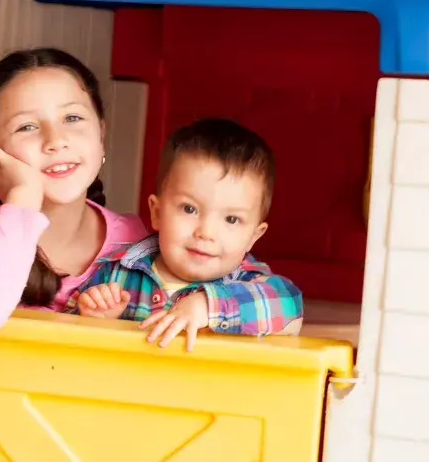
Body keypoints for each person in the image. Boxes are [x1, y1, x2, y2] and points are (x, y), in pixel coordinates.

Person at [0, 48, 148, 332]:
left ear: (101, 133)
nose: (56, 140)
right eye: (27, 126)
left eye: (72, 118)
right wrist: (24, 195)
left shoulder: (135, 241)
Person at [68, 118, 304, 351]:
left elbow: (289, 303)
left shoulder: (247, 281)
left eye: (231, 219)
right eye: (189, 209)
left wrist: (207, 306)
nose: (206, 232)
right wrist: (91, 317)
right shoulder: (117, 272)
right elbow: (64, 334)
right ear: (157, 213)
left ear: (254, 236)